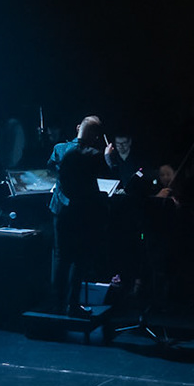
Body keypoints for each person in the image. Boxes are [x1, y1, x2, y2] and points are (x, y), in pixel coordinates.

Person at [48, 116, 114, 314]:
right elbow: (109, 173)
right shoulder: (94, 154)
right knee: (79, 259)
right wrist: (108, 157)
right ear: (95, 136)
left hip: (60, 209)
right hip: (82, 213)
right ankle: (73, 304)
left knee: (61, 258)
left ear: (78, 128)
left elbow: (51, 169)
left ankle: (57, 304)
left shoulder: (60, 149)